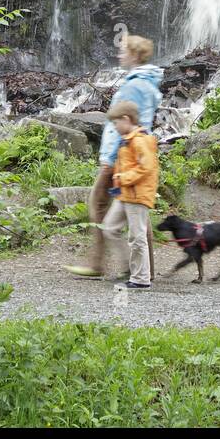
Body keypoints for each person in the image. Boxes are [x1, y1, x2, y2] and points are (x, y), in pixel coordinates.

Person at [66, 33, 162, 280]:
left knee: (100, 203)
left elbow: (125, 122)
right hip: (129, 153)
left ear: (134, 55)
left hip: (121, 155)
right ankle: (141, 267)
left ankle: (105, 265)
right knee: (135, 206)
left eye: (123, 51)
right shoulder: (147, 83)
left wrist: (111, 157)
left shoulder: (134, 85)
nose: (119, 55)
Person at [98, 100, 159, 289]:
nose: (115, 127)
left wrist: (122, 177)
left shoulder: (140, 140)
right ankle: (131, 268)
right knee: (109, 227)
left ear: (126, 119)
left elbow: (146, 168)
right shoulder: (127, 140)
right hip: (124, 194)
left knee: (137, 236)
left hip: (137, 195)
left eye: (116, 123)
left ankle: (141, 279)